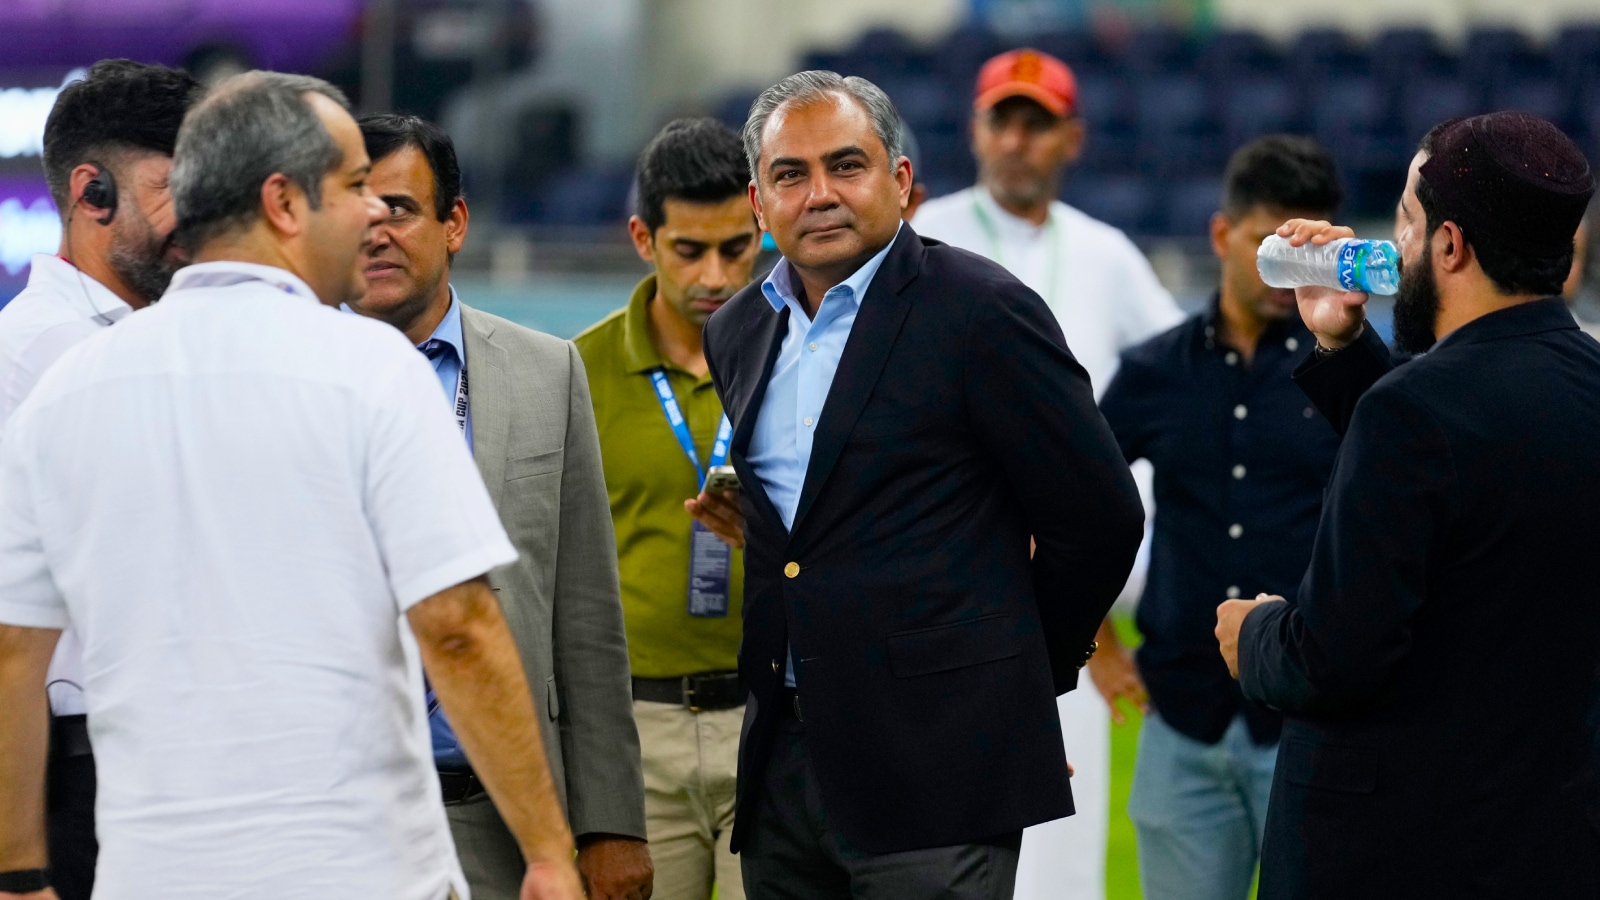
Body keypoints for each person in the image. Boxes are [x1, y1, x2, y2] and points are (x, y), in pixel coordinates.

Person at [0, 71, 583, 900]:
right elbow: (455, 627)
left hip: (149, 875)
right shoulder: (373, 369)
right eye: (352, 187)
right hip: (357, 871)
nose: (373, 212)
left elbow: (12, 651)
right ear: (282, 203)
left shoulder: (70, 388)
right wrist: (549, 850)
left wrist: (19, 872)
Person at [692, 69, 1145, 899]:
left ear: (900, 182)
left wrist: (1013, 677)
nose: (819, 194)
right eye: (790, 175)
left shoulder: (982, 311)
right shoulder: (739, 329)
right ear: (759, 204)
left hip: (941, 764)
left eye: (846, 166)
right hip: (785, 763)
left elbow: (1102, 518)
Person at [1215, 112, 1600, 898]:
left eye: (1406, 224)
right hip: (1550, 847)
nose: (1392, 251)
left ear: (1451, 246)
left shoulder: (1414, 411)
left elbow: (1334, 658)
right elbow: (1462, 491)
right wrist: (1342, 344)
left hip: (1394, 855)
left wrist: (1253, 633)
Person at [346, 114, 650, 900]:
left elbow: (585, 621)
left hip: (502, 820)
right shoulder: (292, 385)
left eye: (401, 210)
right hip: (339, 816)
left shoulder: (547, 373)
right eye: (358, 211)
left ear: (455, 224)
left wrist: (611, 823)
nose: (376, 233)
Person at [910, 47, 1183, 899]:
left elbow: (1183, 377)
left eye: (1038, 124)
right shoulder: (923, 240)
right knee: (935, 837)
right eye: (1005, 121)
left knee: (1064, 847)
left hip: (1066, 591)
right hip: (947, 577)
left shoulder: (1107, 255)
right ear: (977, 131)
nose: (1019, 141)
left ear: (1073, 138)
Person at [1098, 135, 1344, 900]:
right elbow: (1076, 503)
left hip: (1314, 725)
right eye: (1272, 242)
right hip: (1184, 720)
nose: (1286, 269)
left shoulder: (1353, 374)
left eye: (1306, 247)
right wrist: (1095, 640)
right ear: (1220, 234)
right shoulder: (1152, 372)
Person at [0, 59, 201, 900]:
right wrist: (20, 866)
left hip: (160, 765)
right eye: (177, 190)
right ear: (92, 192)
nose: (202, 218)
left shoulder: (166, 336)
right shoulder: (48, 354)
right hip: (80, 773)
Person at [573, 118, 758, 900]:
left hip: (776, 723)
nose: (714, 275)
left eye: (737, 247)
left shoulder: (812, 359)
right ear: (643, 238)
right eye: (689, 250)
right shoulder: (575, 374)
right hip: (636, 733)